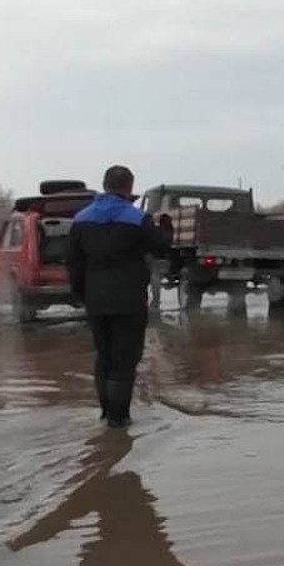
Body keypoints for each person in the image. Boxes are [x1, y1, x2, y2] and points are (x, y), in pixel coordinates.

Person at [69, 166, 171, 428]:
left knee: (104, 356)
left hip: (96, 299)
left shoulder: (81, 219)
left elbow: (74, 263)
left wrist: (81, 294)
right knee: (124, 360)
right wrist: (166, 227)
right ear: (129, 187)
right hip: (128, 300)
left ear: (104, 185)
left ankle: (105, 414)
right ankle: (119, 420)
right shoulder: (137, 219)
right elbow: (160, 247)